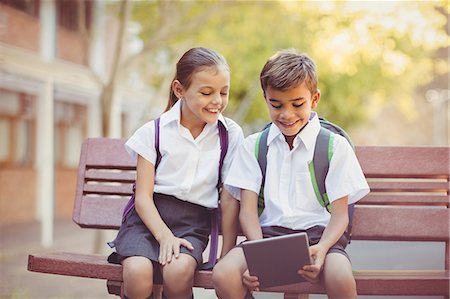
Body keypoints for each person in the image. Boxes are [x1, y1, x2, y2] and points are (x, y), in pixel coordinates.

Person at [212, 49, 370, 299]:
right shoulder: (253, 146)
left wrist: (322, 248)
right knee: (224, 274)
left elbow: (340, 217)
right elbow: (248, 211)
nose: (286, 114)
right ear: (266, 98)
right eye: (276, 105)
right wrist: (258, 252)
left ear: (314, 99)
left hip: (320, 237)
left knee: (340, 277)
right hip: (267, 236)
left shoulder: (334, 147)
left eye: (297, 104)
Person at [109, 47, 243, 299]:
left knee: (178, 272)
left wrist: (226, 254)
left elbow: (228, 197)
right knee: (137, 273)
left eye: (224, 92)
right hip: (147, 221)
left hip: (192, 224)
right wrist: (164, 236)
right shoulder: (154, 132)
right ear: (179, 90)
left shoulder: (230, 135)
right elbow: (143, 198)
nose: (217, 101)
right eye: (206, 92)